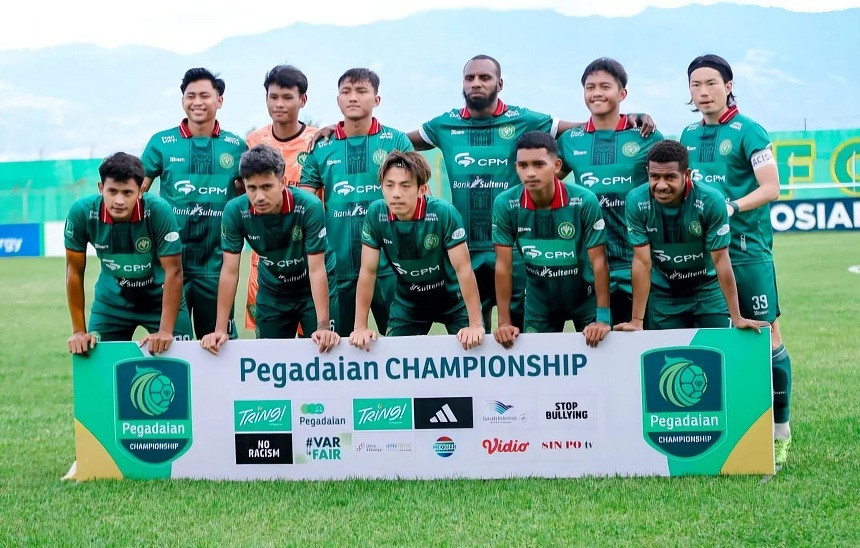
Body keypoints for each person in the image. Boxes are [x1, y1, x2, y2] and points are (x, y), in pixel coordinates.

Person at [312, 55, 654, 333]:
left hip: (513, 249)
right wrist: (343, 128)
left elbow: (576, 129)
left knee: (513, 336)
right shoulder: (444, 124)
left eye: (485, 78)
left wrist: (627, 119)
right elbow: (399, 141)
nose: (476, 83)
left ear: (499, 84)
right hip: (463, 249)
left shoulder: (524, 119)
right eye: (470, 78)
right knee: (474, 337)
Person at [679, 54, 792, 466]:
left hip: (746, 250)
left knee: (767, 335)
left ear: (728, 85)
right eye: (696, 84)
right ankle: (731, 427)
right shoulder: (688, 135)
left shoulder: (750, 131)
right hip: (703, 253)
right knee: (716, 337)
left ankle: (781, 430)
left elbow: (772, 187)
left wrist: (732, 207)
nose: (703, 91)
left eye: (711, 83)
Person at [299, 68, 412, 337]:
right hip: (338, 268)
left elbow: (417, 196)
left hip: (390, 267)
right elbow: (304, 204)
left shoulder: (396, 141)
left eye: (361, 91)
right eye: (346, 92)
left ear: (376, 99)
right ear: (338, 100)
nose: (353, 97)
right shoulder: (321, 147)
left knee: (402, 346)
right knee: (336, 347)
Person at [613, 140, 767, 334]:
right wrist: (637, 321)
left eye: (670, 177)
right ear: (647, 173)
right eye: (654, 176)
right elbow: (642, 262)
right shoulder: (636, 200)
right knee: (668, 353)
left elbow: (721, 260)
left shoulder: (711, 201)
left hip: (708, 291)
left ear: (687, 174)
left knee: (715, 350)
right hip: (664, 294)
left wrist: (736, 317)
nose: (661, 185)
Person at [200, 145, 339, 355]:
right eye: (252, 188)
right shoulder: (235, 211)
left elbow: (317, 269)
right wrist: (220, 329)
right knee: (270, 360)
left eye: (266, 186)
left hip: (311, 290)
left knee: (324, 354)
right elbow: (229, 270)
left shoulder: (309, 206)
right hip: (273, 291)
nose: (259, 197)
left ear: (282, 182)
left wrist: (323, 326)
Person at [141, 67, 248, 339]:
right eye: (191, 96)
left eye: (205, 95)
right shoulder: (162, 143)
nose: (197, 102)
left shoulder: (236, 147)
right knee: (172, 345)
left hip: (217, 267)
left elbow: (247, 196)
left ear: (219, 100)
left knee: (219, 346)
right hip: (171, 265)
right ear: (183, 101)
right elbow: (137, 193)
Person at [557, 57, 664, 325]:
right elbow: (546, 181)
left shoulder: (646, 136)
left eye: (605, 86)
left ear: (622, 93)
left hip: (639, 261)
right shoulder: (570, 141)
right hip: (592, 265)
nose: (597, 93)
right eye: (590, 87)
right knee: (599, 343)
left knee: (642, 341)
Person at [349, 151, 484, 351]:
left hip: (454, 301)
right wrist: (360, 327)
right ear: (381, 187)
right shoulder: (376, 214)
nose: (396, 193)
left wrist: (475, 324)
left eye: (405, 186)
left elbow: (463, 269)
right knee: (394, 358)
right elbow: (368, 272)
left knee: (476, 351)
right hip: (409, 302)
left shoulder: (444, 213)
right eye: (389, 185)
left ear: (422, 189)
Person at [65, 152, 192, 355]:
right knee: (96, 359)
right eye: (112, 191)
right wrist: (79, 331)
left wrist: (165, 331)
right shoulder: (81, 213)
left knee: (182, 362)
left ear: (141, 191)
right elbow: (74, 271)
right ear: (101, 188)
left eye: (127, 192)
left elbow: (174, 271)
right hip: (111, 302)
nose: (119, 201)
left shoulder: (159, 211)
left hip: (160, 300)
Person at [492, 131, 610, 349]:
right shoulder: (505, 203)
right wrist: (504, 322)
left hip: (585, 300)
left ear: (556, 166)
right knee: (537, 367)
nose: (530, 173)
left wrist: (603, 317)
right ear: (516, 167)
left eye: (539, 164)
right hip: (539, 303)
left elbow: (599, 261)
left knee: (599, 361)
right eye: (523, 165)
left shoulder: (584, 200)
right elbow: (503, 266)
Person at [244, 64, 319, 333]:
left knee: (318, 347)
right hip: (266, 262)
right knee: (270, 349)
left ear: (302, 100)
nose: (279, 104)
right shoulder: (254, 140)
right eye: (273, 97)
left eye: (287, 97)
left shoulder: (318, 140)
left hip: (307, 259)